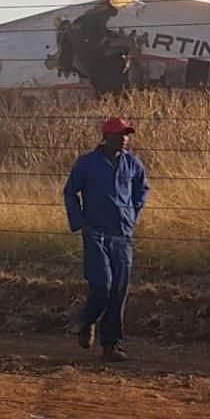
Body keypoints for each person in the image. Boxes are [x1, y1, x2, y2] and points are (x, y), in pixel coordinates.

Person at [64, 117, 149, 362]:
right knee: (103, 284)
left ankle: (111, 344)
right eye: (120, 135)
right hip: (96, 232)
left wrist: (133, 215)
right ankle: (87, 318)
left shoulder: (132, 163)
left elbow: (142, 190)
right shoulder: (87, 163)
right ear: (106, 137)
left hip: (122, 234)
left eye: (126, 135)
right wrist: (80, 222)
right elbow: (70, 191)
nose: (124, 139)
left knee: (119, 291)